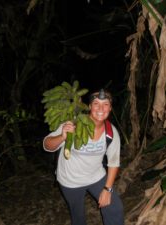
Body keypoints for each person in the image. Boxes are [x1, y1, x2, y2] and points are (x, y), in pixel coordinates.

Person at [43, 89, 124, 225]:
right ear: (90, 107)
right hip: (70, 180)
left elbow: (114, 162)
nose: (100, 108)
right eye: (96, 103)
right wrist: (63, 136)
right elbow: (47, 145)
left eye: (105, 104)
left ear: (110, 108)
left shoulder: (111, 133)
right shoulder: (72, 125)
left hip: (96, 177)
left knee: (115, 208)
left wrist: (107, 189)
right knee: (78, 217)